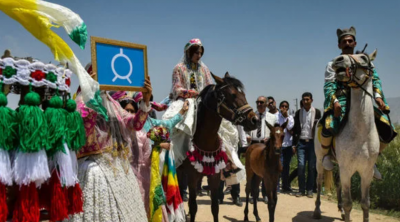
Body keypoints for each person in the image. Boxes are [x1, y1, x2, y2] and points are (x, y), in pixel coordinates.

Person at [67, 65, 152, 222]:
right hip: (94, 170)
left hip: (118, 169)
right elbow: (85, 130)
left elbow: (135, 124)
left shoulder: (112, 103)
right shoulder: (81, 101)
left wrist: (145, 102)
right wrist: (91, 95)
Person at [320, 26, 397, 179]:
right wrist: (334, 101)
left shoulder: (365, 60)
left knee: (388, 129)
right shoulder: (333, 64)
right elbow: (329, 85)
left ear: (355, 43)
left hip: (362, 101)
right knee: (328, 125)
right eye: (344, 41)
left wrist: (378, 97)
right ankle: (326, 154)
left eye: (350, 41)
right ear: (339, 45)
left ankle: (373, 159)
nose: (347, 43)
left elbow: (375, 79)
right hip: (341, 99)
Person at [162, 38, 213, 201]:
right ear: (189, 52)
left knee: (223, 125)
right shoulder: (179, 68)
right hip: (185, 101)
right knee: (172, 119)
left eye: (201, 52)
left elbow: (209, 85)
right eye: (196, 52)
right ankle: (176, 151)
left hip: (202, 102)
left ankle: (226, 162)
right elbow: (177, 89)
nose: (199, 55)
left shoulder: (204, 68)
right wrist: (194, 94)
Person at [246, 96, 278, 204]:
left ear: (266, 104)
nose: (259, 104)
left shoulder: (272, 117)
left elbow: (275, 132)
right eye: (257, 102)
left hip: (265, 145)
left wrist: (269, 138)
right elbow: (246, 128)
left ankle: (265, 194)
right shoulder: (252, 116)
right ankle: (252, 194)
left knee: (266, 171)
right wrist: (247, 136)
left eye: (261, 102)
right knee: (253, 170)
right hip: (254, 143)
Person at [292, 92, 321, 198]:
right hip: (301, 143)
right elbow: (295, 129)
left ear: (311, 100)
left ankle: (309, 190)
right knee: (301, 166)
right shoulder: (298, 113)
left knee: (312, 167)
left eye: (307, 99)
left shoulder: (317, 112)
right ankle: (301, 189)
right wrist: (294, 145)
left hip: (313, 143)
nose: (305, 101)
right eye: (304, 99)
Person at [277, 101, 295, 193]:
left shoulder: (290, 118)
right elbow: (277, 129)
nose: (284, 107)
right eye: (282, 106)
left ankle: (285, 185)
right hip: (279, 145)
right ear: (280, 107)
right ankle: (276, 186)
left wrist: (286, 117)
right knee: (279, 166)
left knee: (286, 166)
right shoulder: (276, 117)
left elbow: (290, 128)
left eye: (286, 106)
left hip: (288, 145)